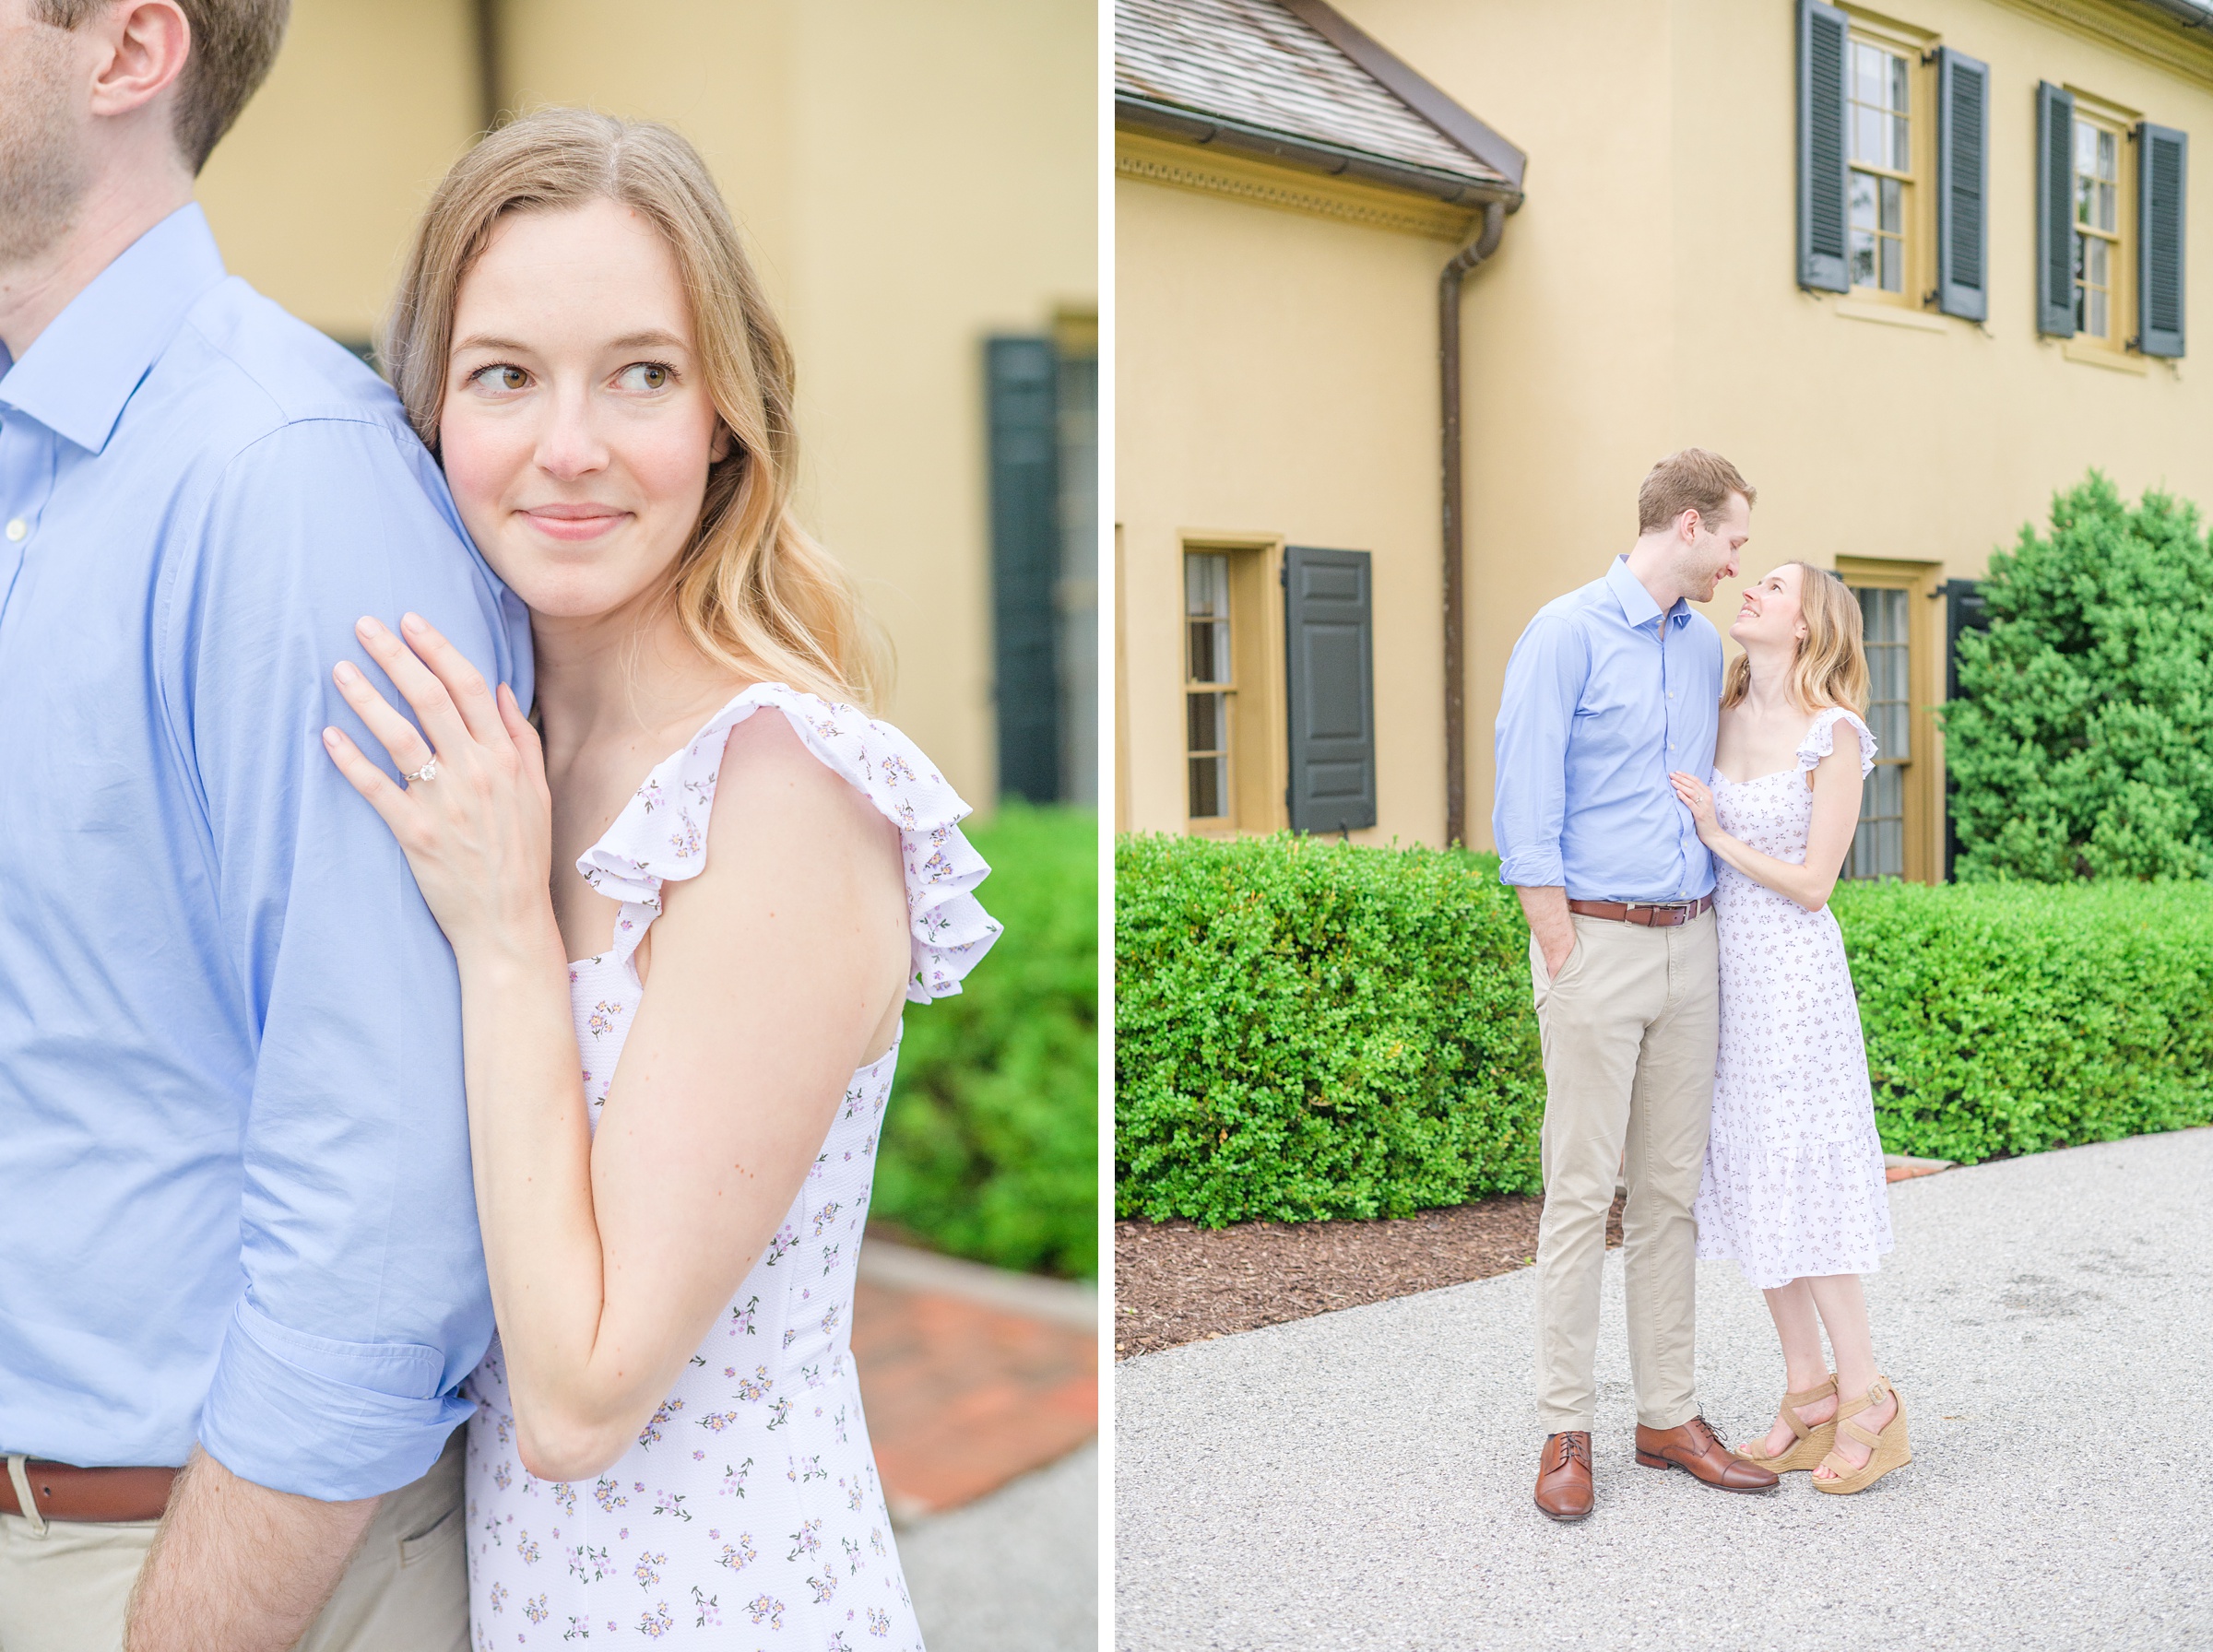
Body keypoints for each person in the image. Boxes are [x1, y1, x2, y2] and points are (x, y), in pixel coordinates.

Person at [319, 109, 1000, 1646]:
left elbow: (577, 1398)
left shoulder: (780, 790)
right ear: (430, 411)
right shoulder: (494, 753)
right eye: (507, 374)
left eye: (641, 372)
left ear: (723, 416)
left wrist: (504, 938)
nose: (571, 445)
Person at [0, 2, 527, 1648]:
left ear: (127, 48)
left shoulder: (286, 482)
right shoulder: (39, 469)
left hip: (180, 1570)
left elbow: (384, 1198)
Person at [1493, 448, 1780, 1523]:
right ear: (1691, 527)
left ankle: (1668, 1414)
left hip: (1691, 943)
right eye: (1737, 538)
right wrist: (1556, 939)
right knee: (1580, 1193)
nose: (1741, 559)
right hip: (1595, 947)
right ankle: (1566, 1425)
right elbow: (1523, 792)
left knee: (1668, 1196)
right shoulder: (1565, 631)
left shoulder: (1701, 645)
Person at [1668, 561, 1911, 1494]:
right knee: (1745, 1170)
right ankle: (1807, 1390)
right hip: (1720, 972)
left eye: (1772, 587)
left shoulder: (1833, 733)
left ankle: (1868, 1395)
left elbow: (1815, 883)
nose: (1751, 592)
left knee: (1805, 1174)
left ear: (1807, 623)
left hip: (1795, 980)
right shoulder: (1719, 709)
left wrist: (1719, 836)